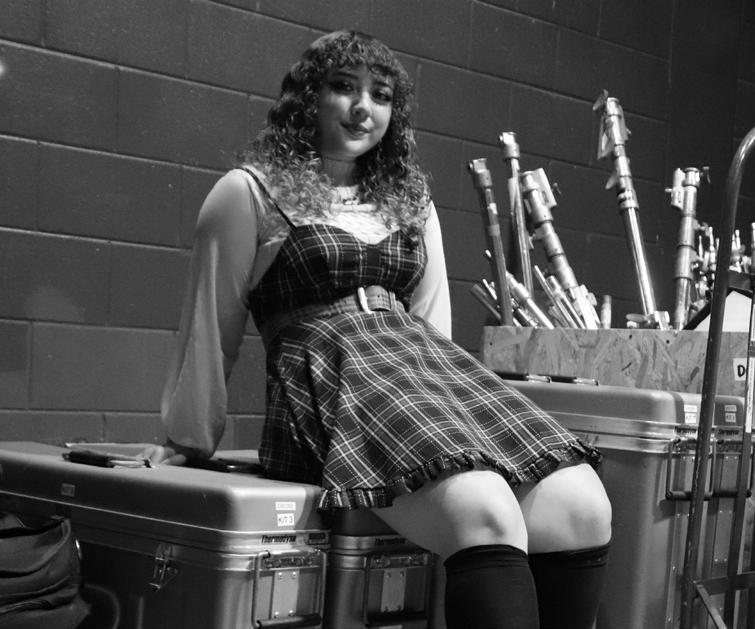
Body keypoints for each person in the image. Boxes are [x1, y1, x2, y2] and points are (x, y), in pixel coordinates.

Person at [145, 30, 612, 629]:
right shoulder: (249, 192)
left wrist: (453, 422)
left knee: (583, 506)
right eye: (344, 87)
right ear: (309, 98)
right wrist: (187, 440)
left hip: (419, 376)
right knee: (487, 513)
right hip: (331, 388)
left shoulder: (411, 201)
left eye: (381, 95)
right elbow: (210, 327)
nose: (363, 108)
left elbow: (433, 323)